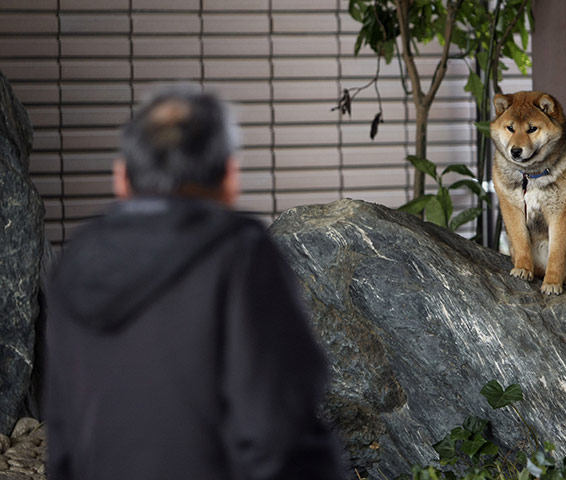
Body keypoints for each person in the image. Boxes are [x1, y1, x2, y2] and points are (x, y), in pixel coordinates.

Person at [44, 86, 345, 480]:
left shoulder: (76, 259)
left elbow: (63, 438)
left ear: (121, 178)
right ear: (230, 177)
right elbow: (275, 430)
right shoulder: (240, 255)